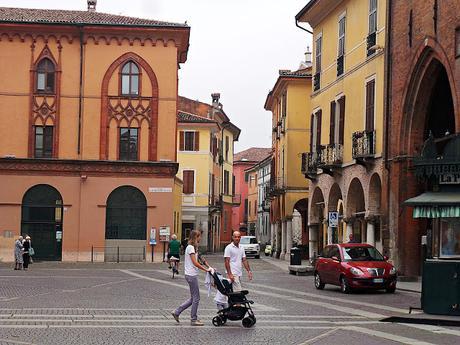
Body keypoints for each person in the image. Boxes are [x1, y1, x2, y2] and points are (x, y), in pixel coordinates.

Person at [172, 230, 212, 326]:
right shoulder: (190, 248)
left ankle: (177, 312)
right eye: (199, 236)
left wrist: (209, 266)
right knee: (196, 298)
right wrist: (205, 270)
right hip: (191, 275)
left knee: (193, 298)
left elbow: (201, 258)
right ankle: (193, 319)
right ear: (195, 237)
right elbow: (195, 262)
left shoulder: (194, 248)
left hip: (191, 274)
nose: (200, 238)